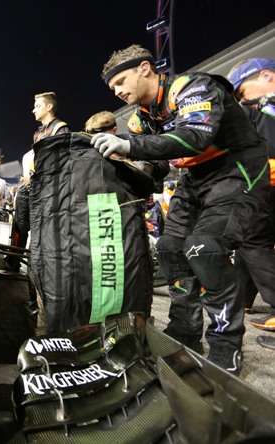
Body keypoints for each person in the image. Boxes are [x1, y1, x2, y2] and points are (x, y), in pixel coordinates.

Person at [91, 44, 270, 374]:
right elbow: (154, 164)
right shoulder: (139, 119)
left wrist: (130, 148)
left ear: (145, 69)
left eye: (120, 81)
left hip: (238, 168)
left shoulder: (192, 86)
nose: (116, 91)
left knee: (205, 249)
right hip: (196, 177)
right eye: (111, 87)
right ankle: (185, 334)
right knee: (171, 249)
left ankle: (226, 347)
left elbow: (194, 137)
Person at [227, 58, 275, 326]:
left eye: (243, 92)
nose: (243, 102)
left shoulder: (269, 104)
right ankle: (241, 298)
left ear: (266, 75)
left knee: (251, 241)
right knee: (248, 240)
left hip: (267, 183)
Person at [8, 92, 71, 270]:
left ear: (49, 107)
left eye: (37, 106)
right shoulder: (38, 133)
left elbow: (61, 163)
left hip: (49, 191)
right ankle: (13, 261)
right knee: (19, 223)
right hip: (34, 188)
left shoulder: (60, 129)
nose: (33, 109)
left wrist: (35, 176)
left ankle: (40, 268)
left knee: (40, 230)